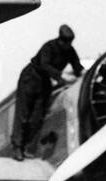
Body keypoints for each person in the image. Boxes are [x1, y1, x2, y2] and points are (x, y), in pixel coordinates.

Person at [11, 24, 83, 161]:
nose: (67, 45)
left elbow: (77, 67)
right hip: (31, 77)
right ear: (60, 39)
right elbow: (44, 65)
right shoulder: (49, 47)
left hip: (45, 82)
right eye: (65, 42)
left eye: (69, 43)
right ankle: (17, 148)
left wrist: (84, 74)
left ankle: (28, 148)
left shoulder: (70, 51)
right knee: (23, 115)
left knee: (37, 117)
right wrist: (61, 76)